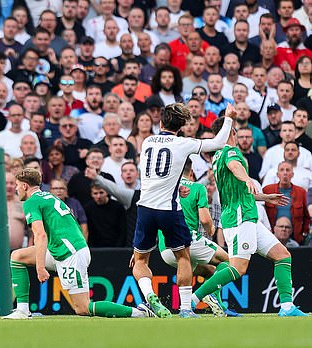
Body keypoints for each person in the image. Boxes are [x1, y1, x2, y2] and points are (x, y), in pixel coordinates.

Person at [189, 117, 308, 317]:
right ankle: (194, 299)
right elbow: (237, 168)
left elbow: (238, 190)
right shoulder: (231, 152)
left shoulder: (217, 157)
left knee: (282, 255)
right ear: (231, 133)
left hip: (247, 216)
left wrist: (263, 197)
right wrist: (247, 178)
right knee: (238, 268)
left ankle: (287, 307)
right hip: (238, 218)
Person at [3, 168, 154, 319]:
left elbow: (40, 235)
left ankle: (139, 313)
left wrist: (40, 266)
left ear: (24, 186)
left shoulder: (31, 202)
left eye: (17, 185)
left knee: (82, 308)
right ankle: (22, 310)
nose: (16, 189)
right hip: (64, 249)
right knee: (17, 256)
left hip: (70, 254)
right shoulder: (48, 197)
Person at [132, 103, 235, 318]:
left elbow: (155, 173)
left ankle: (150, 298)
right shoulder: (183, 143)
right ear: (181, 127)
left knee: (140, 261)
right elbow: (218, 142)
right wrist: (229, 118)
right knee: (183, 258)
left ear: (161, 123)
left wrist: (177, 186)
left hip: (145, 208)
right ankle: (186, 308)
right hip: (169, 209)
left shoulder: (147, 141)